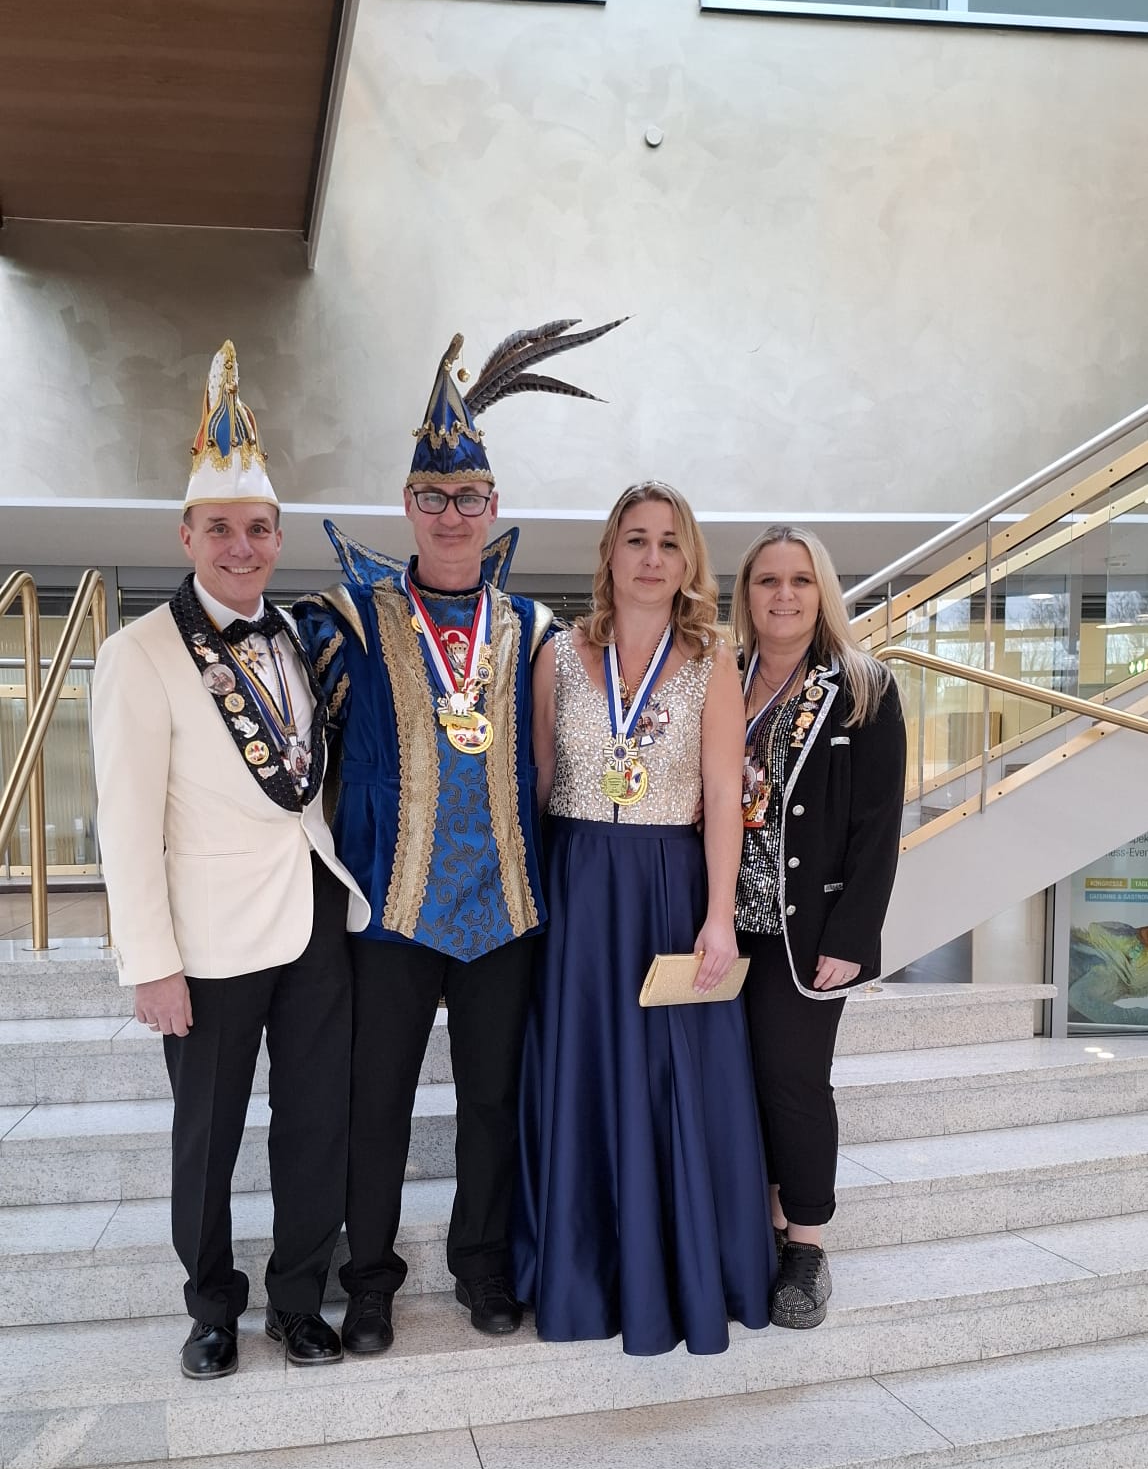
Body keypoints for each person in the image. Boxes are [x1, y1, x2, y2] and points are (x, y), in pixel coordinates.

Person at [294, 317, 622, 1354]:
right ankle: (370, 1282)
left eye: (468, 497)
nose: (450, 515)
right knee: (376, 1108)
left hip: (505, 915)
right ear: (407, 506)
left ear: (493, 507)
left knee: (490, 1103)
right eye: (432, 498)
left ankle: (483, 1265)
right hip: (390, 914)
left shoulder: (536, 633)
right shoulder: (346, 623)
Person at [92, 341, 370, 1379]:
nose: (241, 547)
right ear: (187, 536)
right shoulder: (136, 654)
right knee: (206, 1137)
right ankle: (211, 1307)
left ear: (277, 536)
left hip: (312, 916)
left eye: (257, 529)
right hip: (203, 940)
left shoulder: (297, 635)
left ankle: (299, 1299)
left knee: (316, 1125)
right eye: (220, 528)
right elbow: (125, 824)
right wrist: (149, 962)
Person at [513, 480, 774, 1356]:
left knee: (671, 1079)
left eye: (669, 541)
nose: (652, 557)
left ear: (688, 558)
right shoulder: (556, 655)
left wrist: (718, 918)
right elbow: (539, 785)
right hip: (578, 890)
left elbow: (723, 799)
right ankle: (581, 1271)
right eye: (636, 539)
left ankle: (679, 1273)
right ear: (610, 554)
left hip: (667, 889)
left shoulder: (712, 662)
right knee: (581, 1072)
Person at [733, 524, 906, 1329]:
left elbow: (877, 826)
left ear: (822, 591)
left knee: (794, 1082)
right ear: (747, 593)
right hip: (724, 924)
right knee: (736, 1081)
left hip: (804, 933)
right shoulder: (722, 678)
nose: (784, 594)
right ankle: (758, 1225)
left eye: (800, 580)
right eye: (768, 580)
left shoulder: (863, 687)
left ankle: (804, 1243)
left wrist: (851, 937)